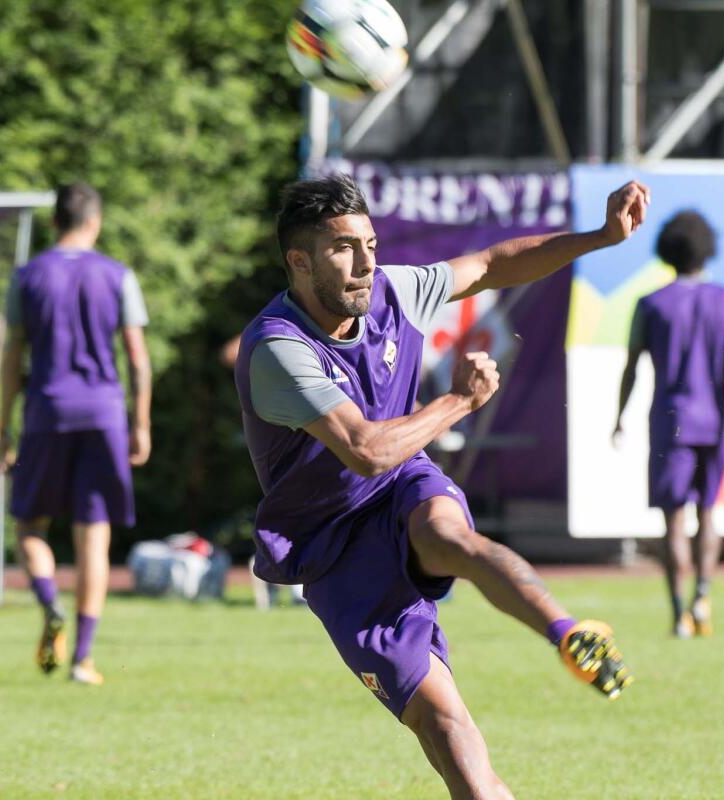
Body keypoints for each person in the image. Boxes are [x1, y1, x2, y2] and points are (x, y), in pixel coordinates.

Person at [235, 174, 647, 798]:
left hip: (402, 486)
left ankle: (568, 633)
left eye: (371, 243)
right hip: (334, 551)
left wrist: (599, 237)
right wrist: (459, 401)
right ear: (299, 261)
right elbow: (366, 449)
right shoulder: (277, 348)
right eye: (345, 248)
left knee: (450, 536)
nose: (368, 262)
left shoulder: (391, 292)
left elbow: (486, 265)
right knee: (447, 731)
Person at [0, 182, 153, 685]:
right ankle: (83, 659)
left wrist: (5, 426)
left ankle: (49, 605)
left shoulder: (27, 276)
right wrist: (141, 422)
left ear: (54, 222)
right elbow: (137, 359)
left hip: (46, 411)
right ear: (95, 221)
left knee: (30, 526)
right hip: (105, 413)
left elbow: (10, 359)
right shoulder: (117, 275)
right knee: (94, 536)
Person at [612, 210, 724, 639]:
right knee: (709, 513)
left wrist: (618, 416)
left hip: (670, 422)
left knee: (674, 522)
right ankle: (703, 595)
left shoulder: (650, 304)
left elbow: (631, 367)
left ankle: (678, 611)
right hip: (715, 420)